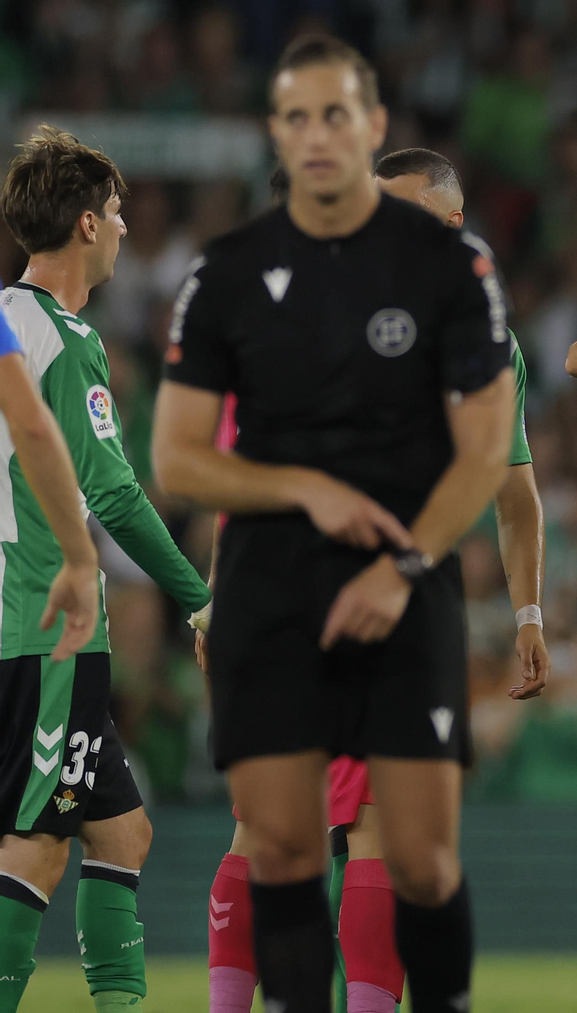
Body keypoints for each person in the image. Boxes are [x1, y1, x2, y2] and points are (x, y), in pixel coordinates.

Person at [152, 34, 514, 1013]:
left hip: (405, 585)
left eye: (338, 114)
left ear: (373, 128)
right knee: (275, 840)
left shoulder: (454, 276)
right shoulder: (225, 276)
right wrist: (263, 541)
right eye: (298, 117)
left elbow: (488, 449)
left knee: (423, 855)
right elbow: (181, 457)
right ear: (278, 132)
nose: (319, 134)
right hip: (277, 592)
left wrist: (405, 562)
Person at [0, 125, 214, 1013]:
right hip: (45, 623)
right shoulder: (61, 335)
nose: (126, 227)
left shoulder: (7, 323)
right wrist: (205, 602)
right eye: (118, 211)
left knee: (121, 831)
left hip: (22, 621)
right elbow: (117, 497)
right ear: (86, 225)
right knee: (37, 842)